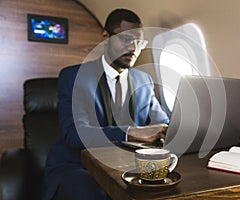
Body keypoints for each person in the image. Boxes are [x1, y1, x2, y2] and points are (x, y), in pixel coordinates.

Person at [43, 8, 169, 200]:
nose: (134, 48)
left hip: (126, 166)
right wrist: (130, 132)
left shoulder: (144, 80)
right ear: (105, 37)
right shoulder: (73, 77)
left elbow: (161, 122)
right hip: (78, 166)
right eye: (126, 39)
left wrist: (171, 129)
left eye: (139, 41)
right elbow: (74, 134)